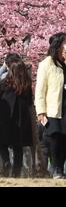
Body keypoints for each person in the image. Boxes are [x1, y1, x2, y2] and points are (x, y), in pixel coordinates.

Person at [0, 59, 33, 178]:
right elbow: (30, 102)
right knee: (18, 147)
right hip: (21, 120)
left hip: (5, 118)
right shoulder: (26, 86)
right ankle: (16, 172)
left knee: (2, 143)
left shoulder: (5, 84)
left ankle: (6, 162)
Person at [35, 32, 66, 179]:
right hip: (53, 109)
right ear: (58, 45)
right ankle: (56, 168)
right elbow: (40, 89)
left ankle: (59, 167)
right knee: (55, 139)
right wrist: (41, 111)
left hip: (65, 107)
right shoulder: (46, 64)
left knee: (65, 139)